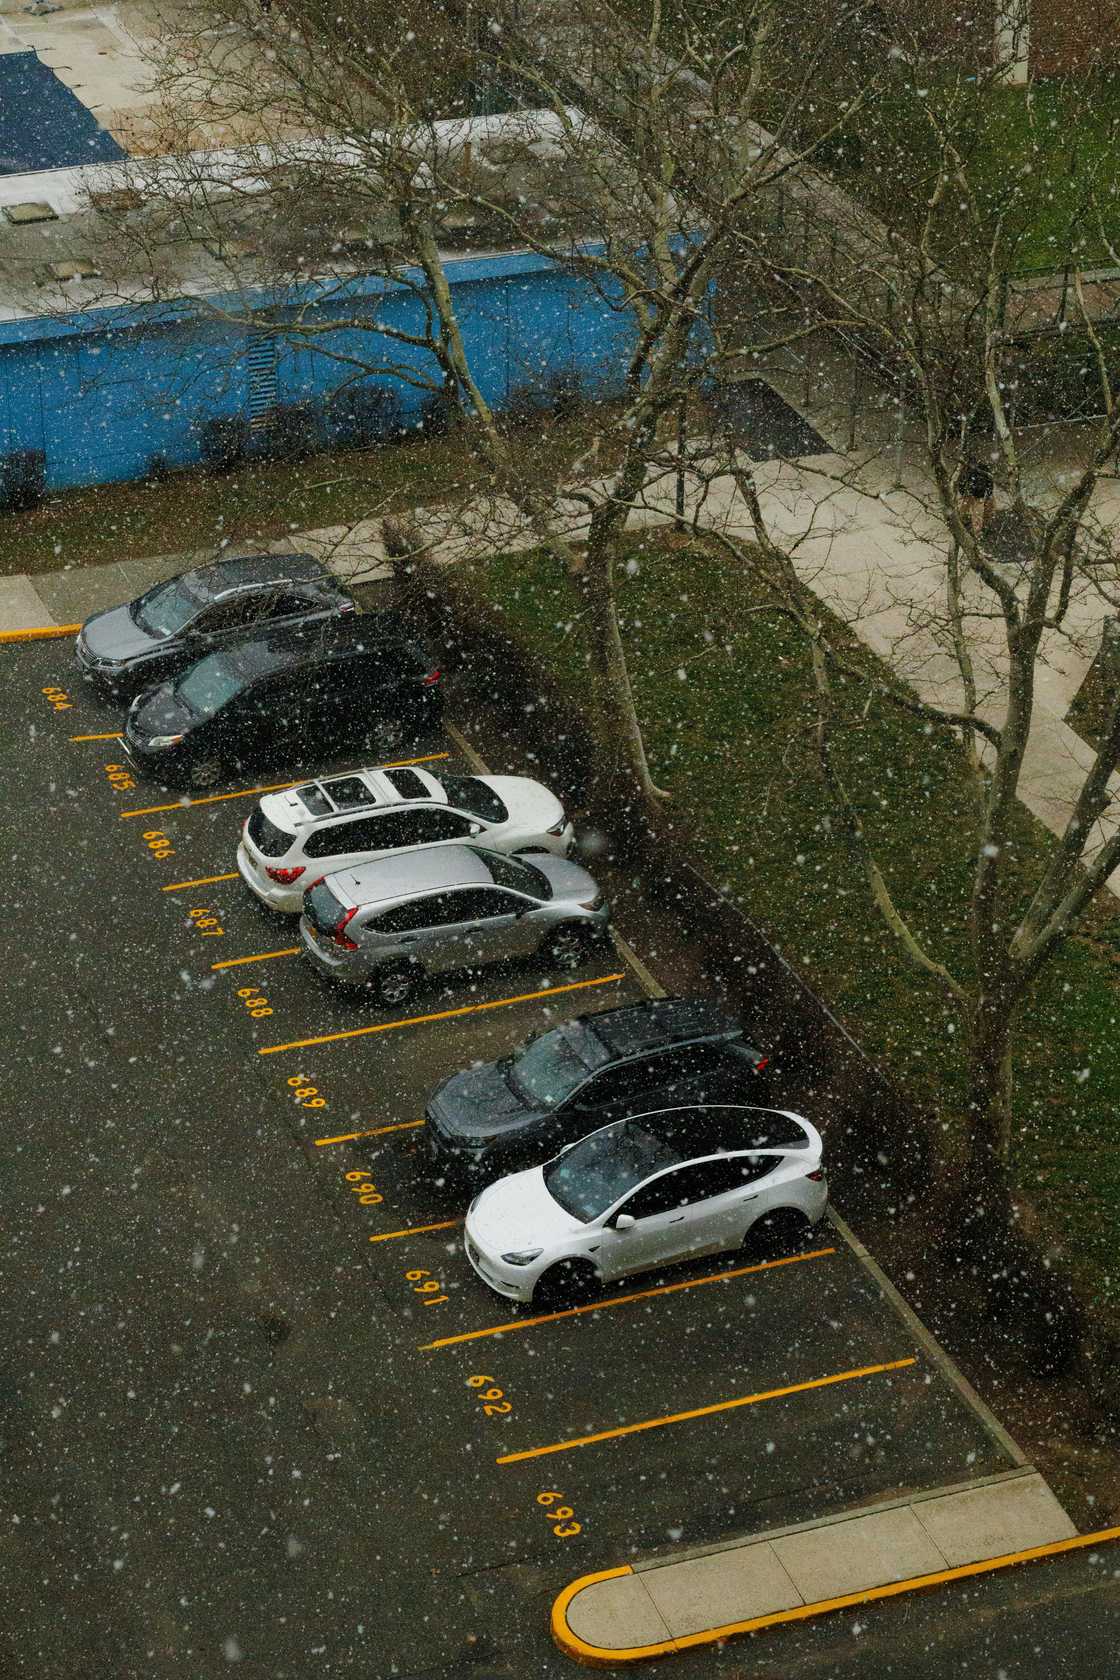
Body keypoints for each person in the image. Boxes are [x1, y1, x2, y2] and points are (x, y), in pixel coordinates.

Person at [958, 459, 995, 540]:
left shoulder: (977, 470)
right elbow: (990, 482)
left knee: (975, 514)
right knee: (973, 513)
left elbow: (961, 482)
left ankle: (975, 532)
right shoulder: (981, 469)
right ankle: (966, 528)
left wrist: (989, 494)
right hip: (972, 495)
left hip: (975, 495)